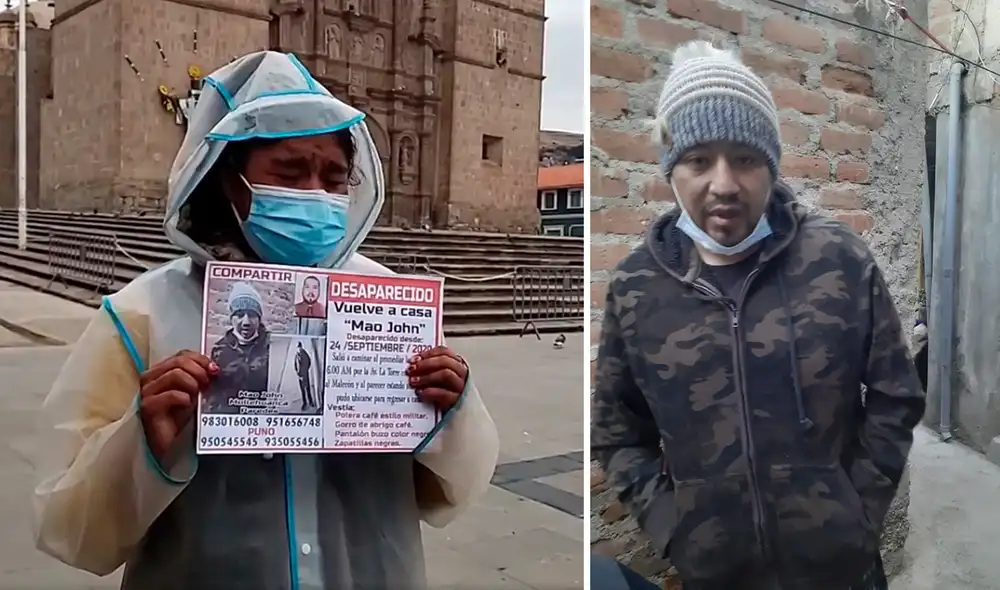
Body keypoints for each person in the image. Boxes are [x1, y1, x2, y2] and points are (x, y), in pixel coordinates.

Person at [32, 51, 500, 590]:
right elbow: (67, 525)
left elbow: (455, 488)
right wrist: (145, 441)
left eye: (333, 177)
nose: (316, 194)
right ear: (231, 180)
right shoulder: (143, 315)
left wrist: (451, 410)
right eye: (290, 171)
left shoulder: (387, 306)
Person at [590, 41, 925, 590]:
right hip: (718, 576)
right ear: (671, 168)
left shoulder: (838, 260)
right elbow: (617, 433)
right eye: (699, 160)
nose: (723, 183)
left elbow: (897, 394)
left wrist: (857, 515)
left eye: (744, 158)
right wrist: (676, 530)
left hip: (844, 572)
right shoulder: (636, 287)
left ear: (769, 163)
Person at [205, 281, 270, 413]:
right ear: (231, 318)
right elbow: (214, 395)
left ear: (259, 319)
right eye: (240, 315)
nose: (246, 322)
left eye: (251, 315)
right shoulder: (220, 350)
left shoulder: (272, 345)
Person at [295, 341, 316, 411]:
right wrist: (298, 374)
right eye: (298, 348)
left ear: (301, 347)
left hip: (305, 375)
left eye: (299, 347)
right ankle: (304, 403)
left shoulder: (304, 354)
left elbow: (309, 361)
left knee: (307, 389)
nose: (299, 349)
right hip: (300, 376)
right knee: (302, 390)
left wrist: (305, 370)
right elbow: (295, 365)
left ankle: (310, 402)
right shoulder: (296, 355)